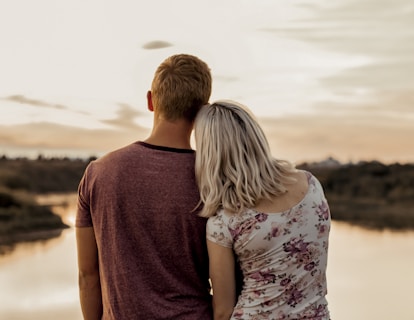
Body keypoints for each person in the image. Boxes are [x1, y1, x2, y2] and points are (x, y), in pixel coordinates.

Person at [76, 54, 213, 320]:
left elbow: (87, 275)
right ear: (203, 111)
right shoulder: (214, 178)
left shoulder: (98, 173)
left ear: (151, 100)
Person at [194, 100, 331, 320]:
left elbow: (223, 311)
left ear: (211, 153)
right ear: (255, 136)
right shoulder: (311, 185)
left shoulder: (224, 223)